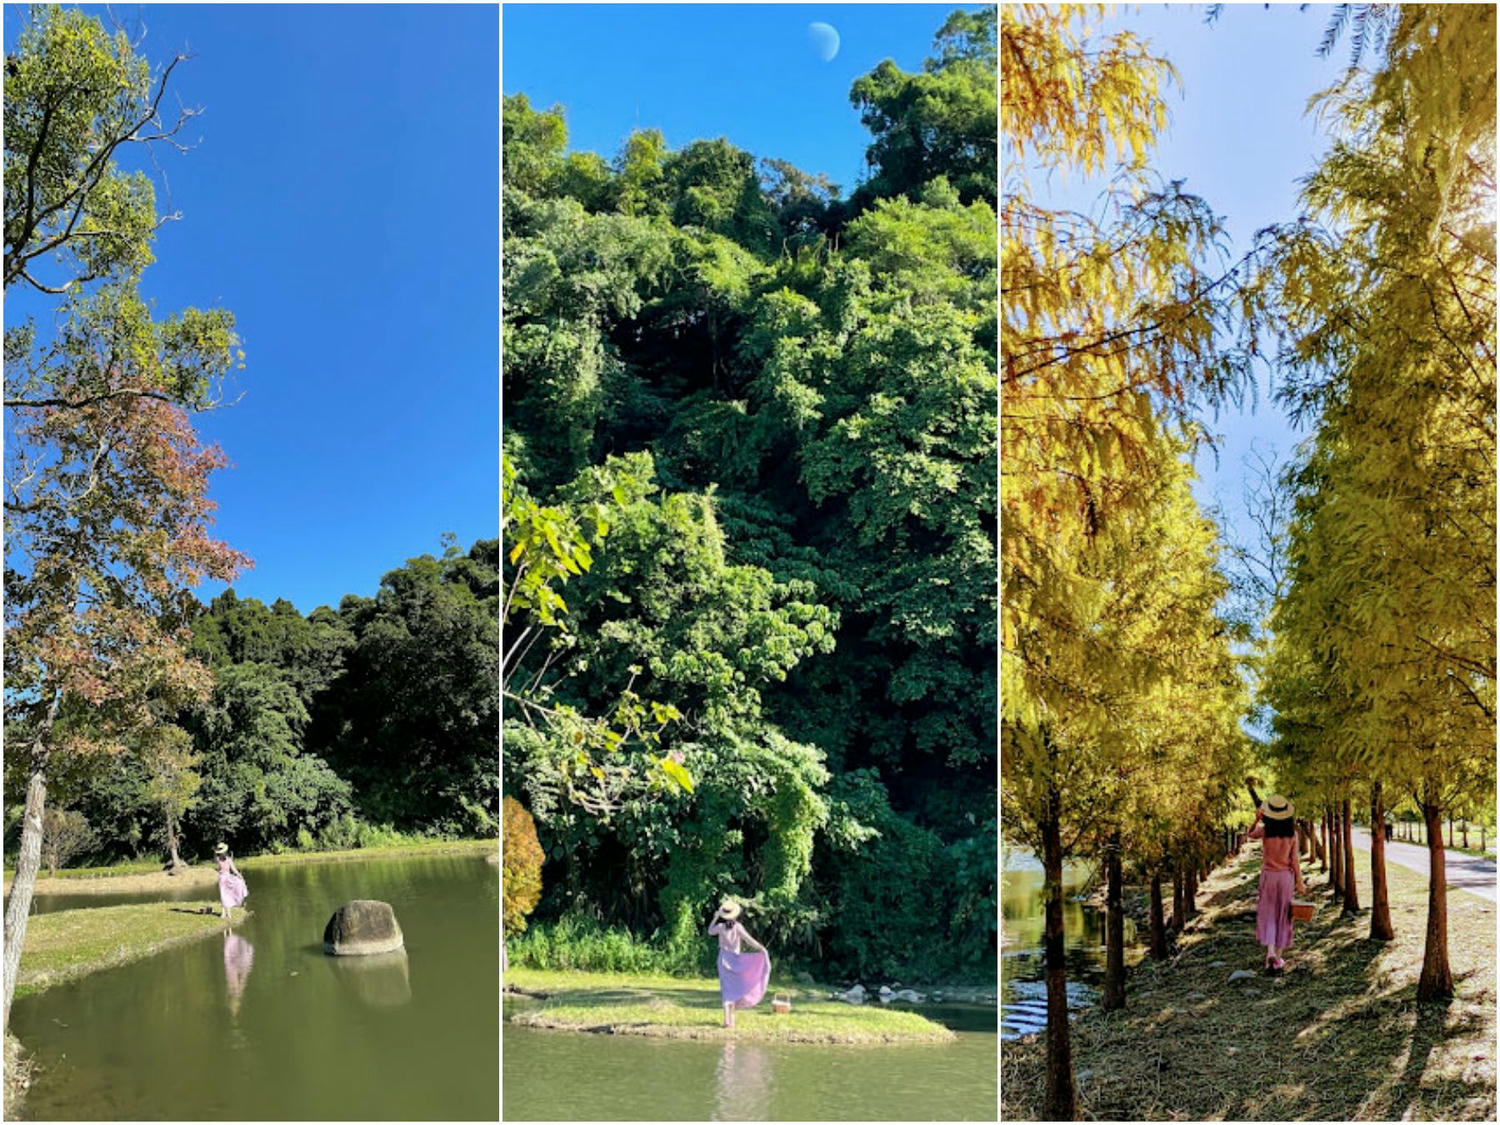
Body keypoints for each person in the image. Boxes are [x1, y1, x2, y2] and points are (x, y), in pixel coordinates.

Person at [1246, 795, 1305, 971]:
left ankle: (1270, 953)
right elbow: (1294, 861)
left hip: (1268, 876)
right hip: (1285, 878)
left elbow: (1249, 835)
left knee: (1269, 914)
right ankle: (1278, 960)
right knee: (1284, 916)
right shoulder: (1292, 834)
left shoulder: (1266, 831)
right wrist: (1300, 882)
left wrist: (1256, 819)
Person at [708, 899, 769, 1029]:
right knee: (735, 988)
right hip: (735, 959)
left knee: (726, 988)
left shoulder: (720, 927)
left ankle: (727, 1020)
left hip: (723, 958)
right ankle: (731, 1020)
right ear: (735, 915)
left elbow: (709, 931)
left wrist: (715, 918)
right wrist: (761, 948)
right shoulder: (738, 927)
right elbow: (749, 940)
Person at [214, 842, 249, 922]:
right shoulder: (219, 859)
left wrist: (240, 876)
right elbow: (215, 860)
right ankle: (224, 913)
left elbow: (234, 869)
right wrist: (216, 852)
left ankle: (227, 913)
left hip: (226, 878)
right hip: (223, 878)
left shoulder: (227, 859)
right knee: (224, 895)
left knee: (226, 895)